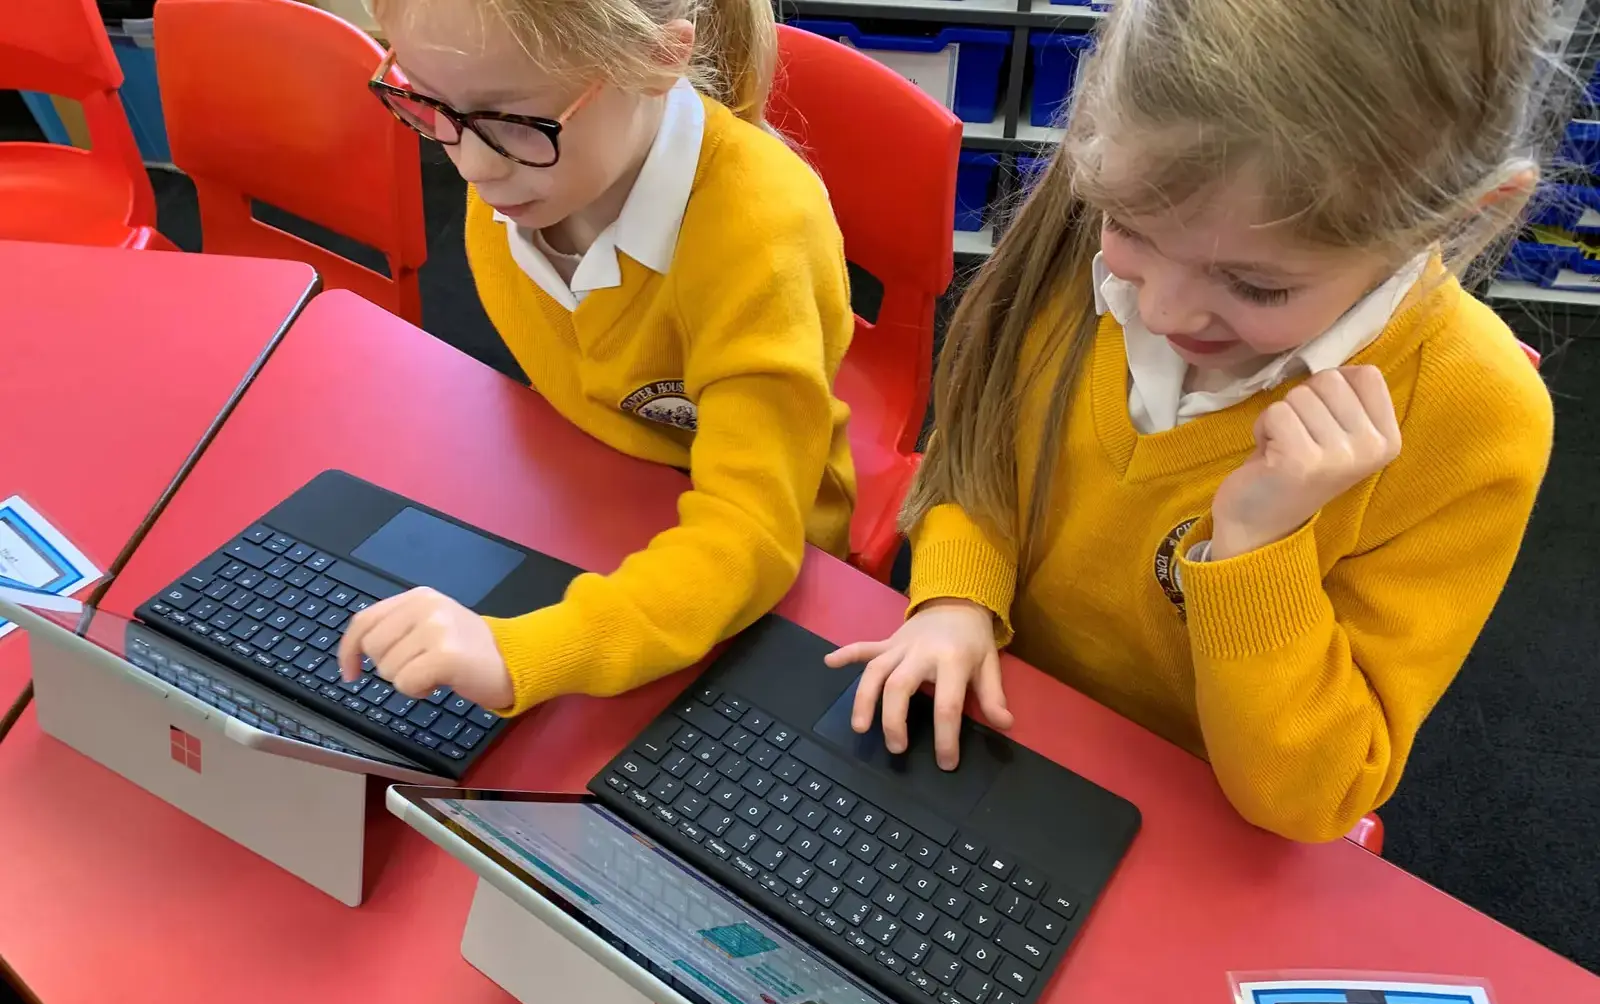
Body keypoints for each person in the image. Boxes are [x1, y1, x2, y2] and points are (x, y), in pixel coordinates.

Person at [828, 0, 1555, 842]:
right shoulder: (1129, 198)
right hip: (1007, 723)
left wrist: (1255, 550)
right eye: (1129, 230)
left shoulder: (1474, 418)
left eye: (1256, 286)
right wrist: (957, 595)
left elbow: (1315, 795)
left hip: (1199, 818)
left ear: (1458, 217)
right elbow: (979, 450)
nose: (1162, 306)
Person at [339, 0, 856, 715]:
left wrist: (523, 656)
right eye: (431, 105)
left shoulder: (759, 236)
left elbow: (752, 532)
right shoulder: (522, 177)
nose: (470, 164)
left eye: (509, 120)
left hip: (763, 574)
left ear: (655, 60)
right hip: (594, 506)